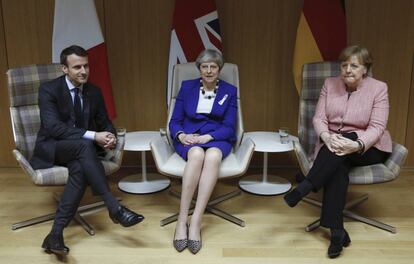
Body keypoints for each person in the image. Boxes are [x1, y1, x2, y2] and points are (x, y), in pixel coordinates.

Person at [31, 45, 144, 256]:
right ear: (64, 69)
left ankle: (55, 234)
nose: (83, 71)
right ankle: (114, 208)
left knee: (80, 169)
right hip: (54, 146)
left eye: (86, 66)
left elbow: (105, 122)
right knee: (84, 145)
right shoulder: (48, 90)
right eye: (77, 67)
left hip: (80, 153)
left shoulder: (94, 91)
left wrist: (109, 137)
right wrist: (94, 136)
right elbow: (53, 128)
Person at [283, 45, 392, 258]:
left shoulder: (379, 88)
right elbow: (319, 119)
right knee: (338, 167)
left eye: (354, 65)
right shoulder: (329, 84)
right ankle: (336, 232)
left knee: (348, 139)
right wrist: (326, 137)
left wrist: (357, 144)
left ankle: (306, 186)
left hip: (368, 148)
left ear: (365, 69)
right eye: (344, 65)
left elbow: (377, 128)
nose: (347, 70)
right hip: (333, 146)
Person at [169, 49, 237, 254]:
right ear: (199, 69)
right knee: (197, 154)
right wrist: (181, 136)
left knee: (213, 155)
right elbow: (175, 121)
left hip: (217, 137)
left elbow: (229, 126)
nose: (208, 71)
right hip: (189, 136)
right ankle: (182, 221)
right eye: (204, 66)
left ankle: (196, 222)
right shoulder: (187, 87)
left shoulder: (229, 91)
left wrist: (209, 137)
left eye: (213, 66)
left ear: (219, 69)